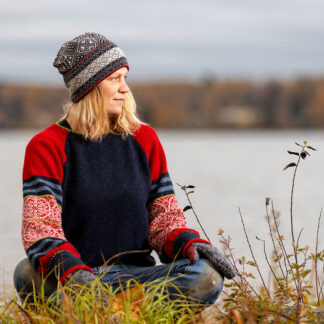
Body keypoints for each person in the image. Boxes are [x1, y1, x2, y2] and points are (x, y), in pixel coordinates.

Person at [14, 32, 235, 306]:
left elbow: (163, 221)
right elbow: (41, 230)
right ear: (90, 86)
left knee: (207, 276)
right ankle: (126, 310)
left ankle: (108, 313)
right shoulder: (46, 146)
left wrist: (190, 244)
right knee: (26, 272)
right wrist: (77, 278)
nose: (125, 89)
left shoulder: (144, 140)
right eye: (115, 79)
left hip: (140, 277)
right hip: (78, 278)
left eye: (125, 78)